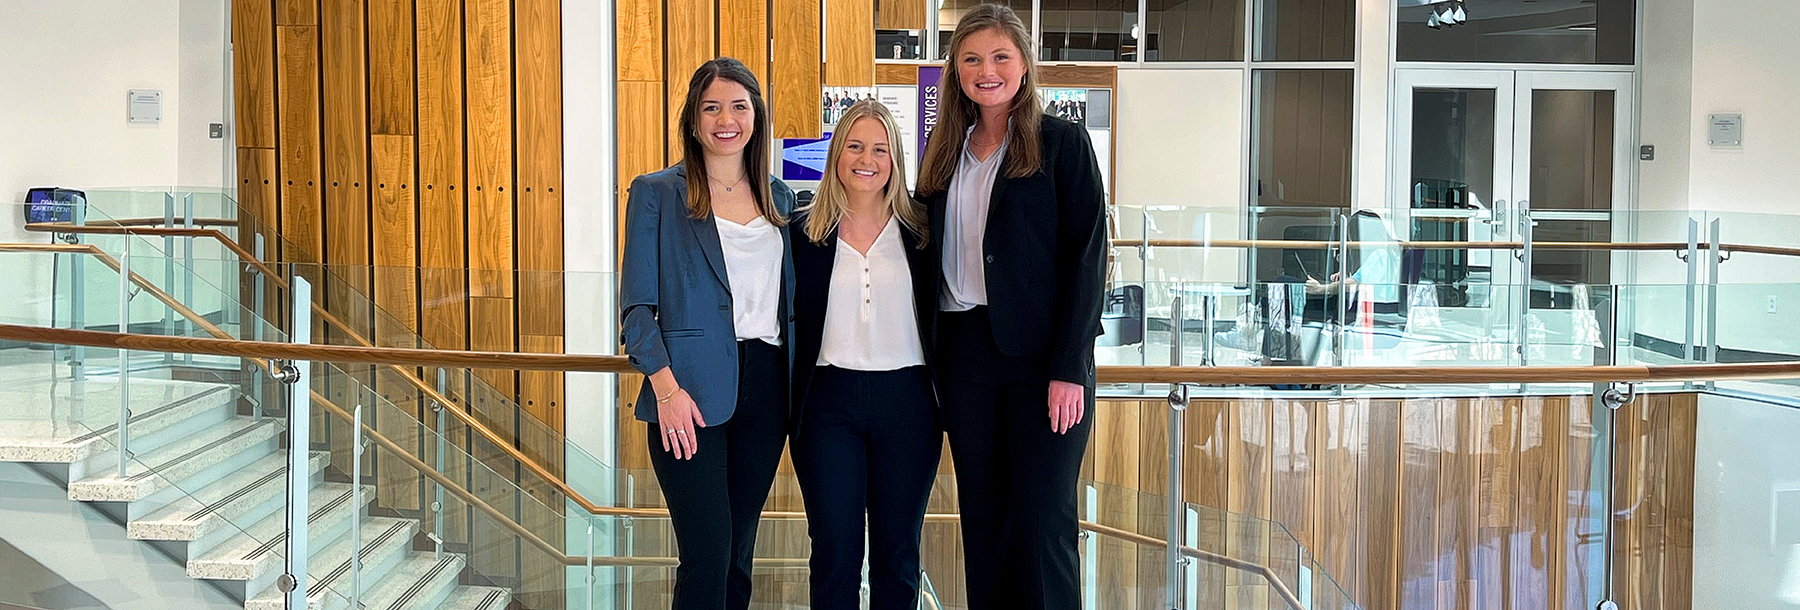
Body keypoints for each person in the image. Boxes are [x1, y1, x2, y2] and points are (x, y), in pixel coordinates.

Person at [913, 4, 1107, 608]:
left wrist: (1068, 368)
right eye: (972, 58)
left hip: (1041, 364)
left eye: (1000, 56)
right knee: (986, 521)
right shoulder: (945, 152)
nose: (986, 70)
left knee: (1045, 522)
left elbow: (1088, 259)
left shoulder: (1060, 144)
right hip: (965, 358)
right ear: (956, 71)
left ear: (1024, 64)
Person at [619, 57, 796, 610]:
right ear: (694, 121)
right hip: (687, 394)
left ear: (756, 117)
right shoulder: (657, 193)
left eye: (739, 107)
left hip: (767, 390)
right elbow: (636, 311)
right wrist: (666, 392)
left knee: (739, 550)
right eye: (711, 107)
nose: (726, 119)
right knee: (708, 550)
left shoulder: (778, 197)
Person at [790, 100, 941, 610]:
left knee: (898, 554)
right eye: (854, 146)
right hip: (828, 405)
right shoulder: (802, 233)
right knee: (835, 550)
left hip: (909, 404)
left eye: (880, 149)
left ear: (895, 159)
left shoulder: (923, 231)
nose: (866, 159)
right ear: (836, 155)